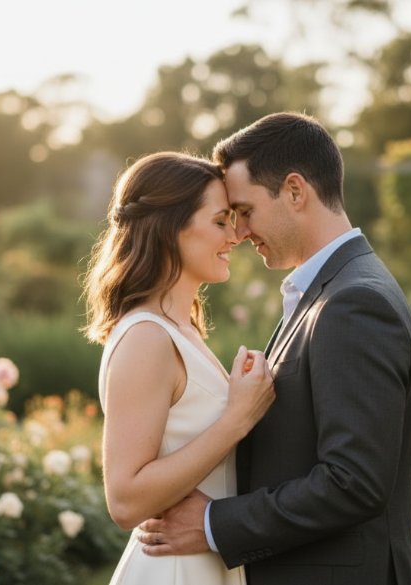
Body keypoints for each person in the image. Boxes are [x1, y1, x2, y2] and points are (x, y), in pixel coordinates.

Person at [137, 112, 411, 585]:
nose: (240, 233)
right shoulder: (331, 290)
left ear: (294, 191)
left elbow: (354, 483)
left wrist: (212, 523)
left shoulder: (354, 302)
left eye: (245, 211)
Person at [83, 151, 276, 585]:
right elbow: (125, 500)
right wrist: (237, 418)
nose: (236, 235)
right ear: (171, 227)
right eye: (221, 221)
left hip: (202, 563)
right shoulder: (146, 338)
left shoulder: (180, 330)